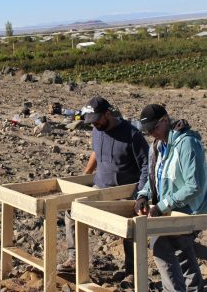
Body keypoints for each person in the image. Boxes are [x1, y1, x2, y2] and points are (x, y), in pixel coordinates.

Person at [57, 96, 149, 285]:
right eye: (91, 121)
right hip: (100, 188)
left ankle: (132, 272)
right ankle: (74, 259)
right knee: (71, 212)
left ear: (108, 114)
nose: (94, 124)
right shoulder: (96, 130)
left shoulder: (132, 135)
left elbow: (147, 166)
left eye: (97, 120)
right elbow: (96, 152)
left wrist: (141, 194)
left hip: (124, 193)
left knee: (130, 228)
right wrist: (85, 175)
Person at [135, 104, 207, 292]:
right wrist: (143, 194)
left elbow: (194, 186)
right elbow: (157, 177)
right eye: (148, 130)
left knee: (160, 245)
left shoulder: (187, 144)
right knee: (182, 249)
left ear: (165, 120)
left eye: (154, 128)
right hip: (171, 208)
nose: (151, 133)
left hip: (190, 210)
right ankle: (195, 288)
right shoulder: (160, 145)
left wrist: (162, 206)